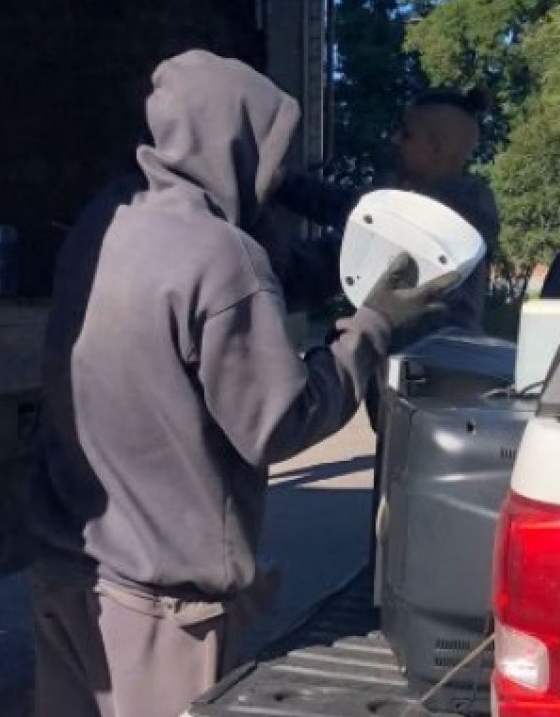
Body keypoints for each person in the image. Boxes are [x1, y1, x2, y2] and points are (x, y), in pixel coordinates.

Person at [27, 50, 457, 717]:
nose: (277, 171)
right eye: (273, 150)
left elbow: (220, 301)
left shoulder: (109, 218)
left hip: (69, 572)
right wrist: (372, 326)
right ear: (240, 142)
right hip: (160, 609)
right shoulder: (223, 257)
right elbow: (280, 422)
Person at [273, 87, 500, 332]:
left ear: (435, 147)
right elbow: (344, 205)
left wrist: (254, 268)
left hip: (423, 362)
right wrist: (282, 181)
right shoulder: (449, 205)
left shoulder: (429, 217)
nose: (394, 139)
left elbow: (324, 261)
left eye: (406, 134)